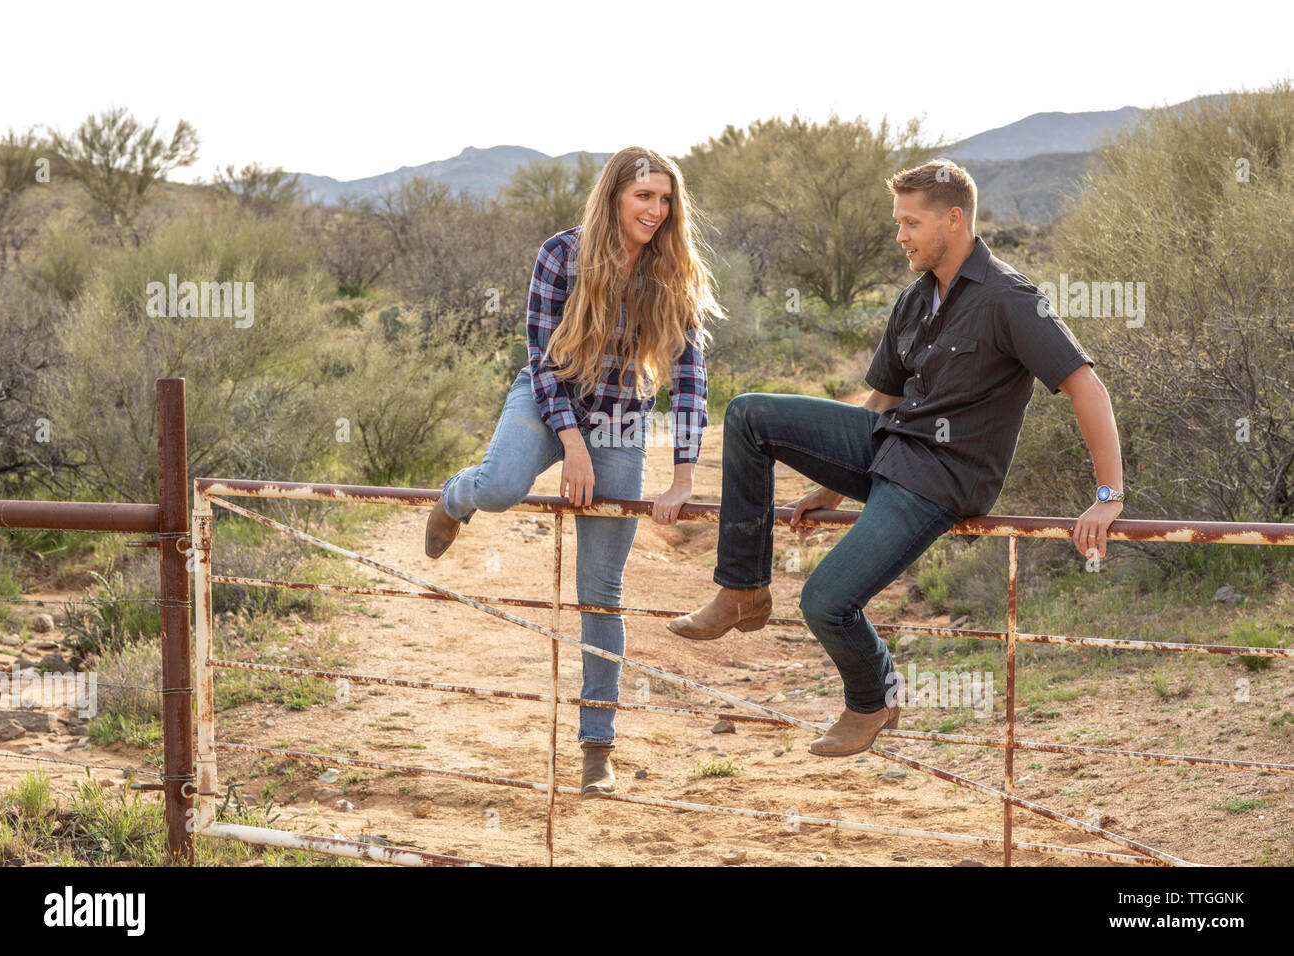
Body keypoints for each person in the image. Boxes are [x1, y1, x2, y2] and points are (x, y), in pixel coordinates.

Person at [668, 159, 1125, 758]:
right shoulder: (914, 299)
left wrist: (1108, 495)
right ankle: (742, 591)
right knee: (751, 414)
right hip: (888, 445)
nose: (900, 236)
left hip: (940, 477)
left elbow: (1086, 387)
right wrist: (830, 486)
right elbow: (881, 396)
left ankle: (872, 700)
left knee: (826, 601)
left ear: (953, 219)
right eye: (897, 222)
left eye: (911, 223)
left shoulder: (1011, 300)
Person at [425, 146, 723, 796]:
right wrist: (571, 441)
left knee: (601, 590)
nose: (656, 209)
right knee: (501, 486)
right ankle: (454, 498)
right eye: (644, 196)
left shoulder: (671, 272)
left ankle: (597, 748)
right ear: (616, 194)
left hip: (620, 418)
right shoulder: (561, 253)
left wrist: (680, 475)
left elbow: (690, 377)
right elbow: (541, 355)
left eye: (665, 199)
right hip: (547, 396)